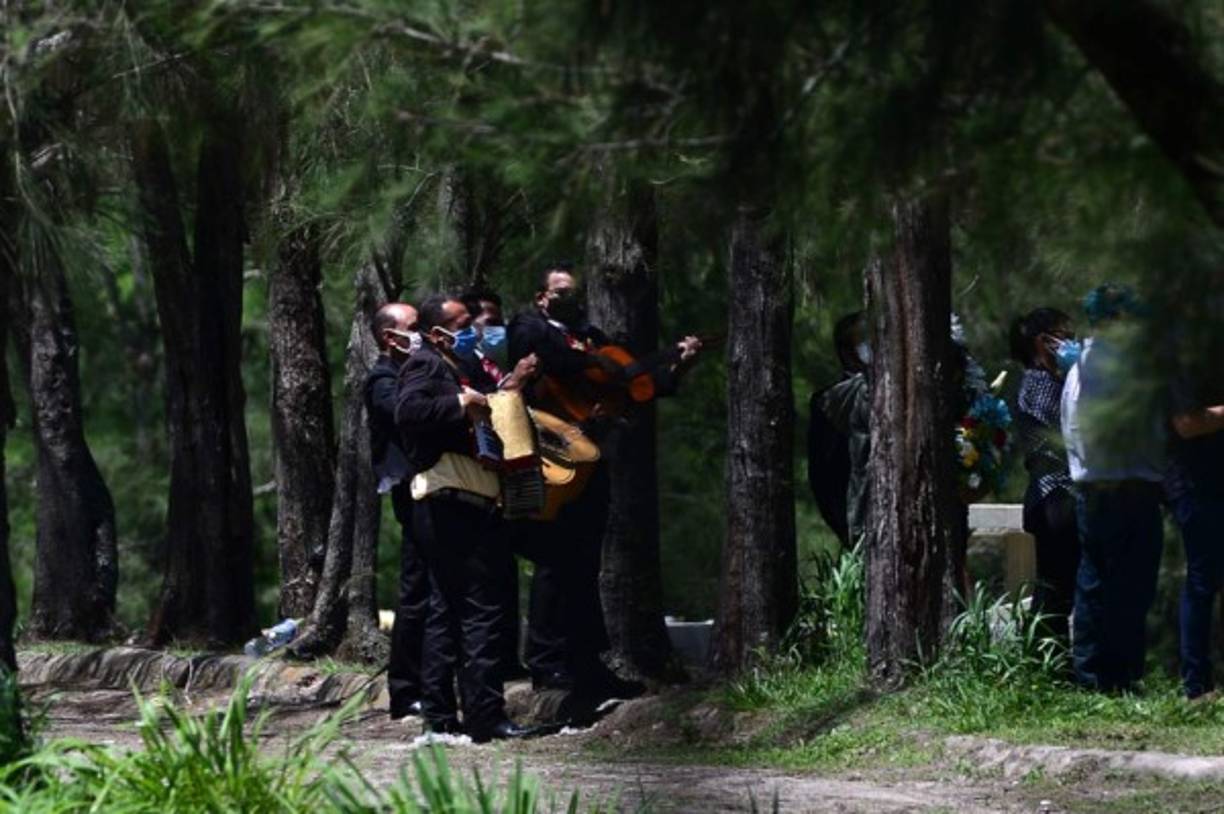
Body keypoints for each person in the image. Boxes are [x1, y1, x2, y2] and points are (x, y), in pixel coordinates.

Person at [508, 262, 701, 700]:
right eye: (560, 292)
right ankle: (546, 661)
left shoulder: (592, 334)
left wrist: (678, 363)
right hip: (550, 457)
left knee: (583, 564)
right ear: (542, 297)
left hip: (592, 458)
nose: (569, 300)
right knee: (555, 561)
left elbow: (638, 379)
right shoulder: (529, 327)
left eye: (574, 293)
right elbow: (554, 360)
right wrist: (597, 365)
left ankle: (587, 663)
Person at [394, 294, 535, 741]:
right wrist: (460, 403)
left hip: (470, 502)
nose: (475, 327)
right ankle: (479, 716)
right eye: (463, 322)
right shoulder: (427, 365)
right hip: (450, 502)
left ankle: (448, 717)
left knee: (451, 612)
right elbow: (408, 412)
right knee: (477, 612)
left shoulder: (460, 365)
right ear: (438, 333)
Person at [1061, 284, 1166, 693]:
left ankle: (1090, 673)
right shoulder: (1127, 366)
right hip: (1130, 485)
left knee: (1093, 583)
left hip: (1090, 486)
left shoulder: (1078, 367)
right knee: (1131, 586)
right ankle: (1122, 675)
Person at [365, 302, 427, 720]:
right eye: (415, 328)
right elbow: (404, 412)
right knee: (416, 590)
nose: (423, 334)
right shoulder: (383, 378)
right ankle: (405, 691)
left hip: (438, 487)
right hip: (412, 489)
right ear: (391, 337)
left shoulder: (419, 370)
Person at [1009, 307, 1080, 645]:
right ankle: (1044, 659)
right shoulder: (1036, 386)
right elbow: (1062, 438)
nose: (1070, 341)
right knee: (1054, 590)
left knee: (1061, 588)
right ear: (1043, 341)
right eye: (1063, 334)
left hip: (1063, 498)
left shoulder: (1055, 381)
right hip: (1054, 497)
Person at [1166, 358, 1224, 699]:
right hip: (1196, 485)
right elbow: (1187, 423)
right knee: (1203, 581)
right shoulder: (1183, 359)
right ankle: (1196, 684)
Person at [810, 312, 869, 546]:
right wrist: (845, 526)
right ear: (847, 352)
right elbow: (823, 476)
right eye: (864, 342)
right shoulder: (830, 403)